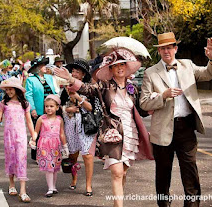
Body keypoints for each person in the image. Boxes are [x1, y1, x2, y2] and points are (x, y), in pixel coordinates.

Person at [55, 48, 153, 207]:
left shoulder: (132, 88)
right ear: (111, 69)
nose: (120, 68)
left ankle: (117, 203)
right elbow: (87, 89)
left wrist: (155, 104)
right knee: (117, 172)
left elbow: (141, 108)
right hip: (112, 133)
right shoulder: (105, 86)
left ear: (126, 67)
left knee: (123, 172)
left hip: (130, 133)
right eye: (116, 65)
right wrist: (71, 80)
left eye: (122, 64)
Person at [139, 32, 212, 207]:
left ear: (175, 49)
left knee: (190, 173)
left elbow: (208, 73)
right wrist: (163, 95)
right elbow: (144, 103)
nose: (166, 51)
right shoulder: (150, 73)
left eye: (169, 47)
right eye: (163, 48)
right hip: (162, 131)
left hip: (186, 128)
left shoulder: (188, 65)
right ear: (159, 51)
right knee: (163, 175)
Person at [0, 77, 35, 203]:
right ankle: (11, 184)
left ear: (16, 89)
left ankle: (23, 191)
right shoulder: (3, 104)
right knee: (10, 160)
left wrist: (33, 136)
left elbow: (29, 121)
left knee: (21, 160)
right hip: (8, 137)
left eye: (11, 89)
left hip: (21, 136)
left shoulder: (24, 104)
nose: (9, 92)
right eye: (7, 90)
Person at [60, 59, 95, 196]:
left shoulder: (89, 88)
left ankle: (88, 186)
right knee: (73, 155)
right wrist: (67, 109)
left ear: (83, 75)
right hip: (70, 124)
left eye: (77, 72)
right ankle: (74, 179)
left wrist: (78, 98)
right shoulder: (65, 88)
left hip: (86, 124)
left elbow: (91, 107)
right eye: (73, 71)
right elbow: (60, 106)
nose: (74, 74)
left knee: (87, 156)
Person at [29, 94, 69, 197]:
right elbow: (36, 132)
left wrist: (65, 146)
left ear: (57, 107)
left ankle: (53, 186)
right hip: (44, 146)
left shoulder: (59, 119)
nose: (49, 108)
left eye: (51, 106)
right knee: (49, 167)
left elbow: (62, 134)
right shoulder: (41, 119)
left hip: (56, 146)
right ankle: (50, 188)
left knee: (55, 167)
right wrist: (33, 140)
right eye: (47, 106)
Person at [25, 56, 56, 123]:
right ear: (37, 68)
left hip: (51, 109)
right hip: (38, 111)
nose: (45, 67)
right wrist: (32, 109)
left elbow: (54, 92)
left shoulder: (49, 77)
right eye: (43, 65)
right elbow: (29, 96)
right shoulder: (30, 80)